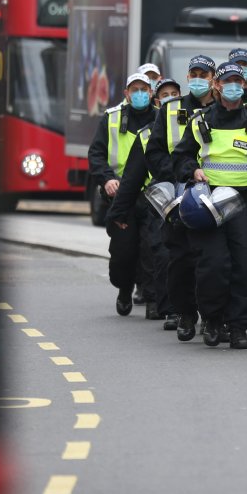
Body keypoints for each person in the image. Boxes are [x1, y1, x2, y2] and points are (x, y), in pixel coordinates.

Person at [172, 62, 247, 350]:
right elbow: (181, 157)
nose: (234, 85)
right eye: (228, 81)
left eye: (239, 80)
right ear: (217, 86)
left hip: (244, 203)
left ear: (245, 85)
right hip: (208, 205)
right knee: (212, 265)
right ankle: (212, 320)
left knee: (245, 267)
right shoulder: (201, 121)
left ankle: (238, 326)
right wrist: (192, 170)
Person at [144, 55, 217, 339]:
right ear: (188, 78)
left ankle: (213, 317)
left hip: (216, 193)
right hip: (180, 195)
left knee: (213, 261)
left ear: (214, 78)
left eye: (204, 73)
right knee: (180, 259)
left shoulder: (225, 109)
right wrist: (178, 176)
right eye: (194, 73)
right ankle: (185, 313)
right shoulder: (170, 110)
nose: (199, 78)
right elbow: (155, 152)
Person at [87, 70, 158, 316]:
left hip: (153, 196)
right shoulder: (111, 119)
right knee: (123, 252)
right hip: (122, 197)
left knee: (153, 249)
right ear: (126, 94)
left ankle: (153, 299)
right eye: (134, 90)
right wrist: (107, 179)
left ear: (151, 93)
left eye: (144, 90)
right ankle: (125, 288)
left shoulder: (161, 120)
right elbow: (96, 153)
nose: (139, 94)